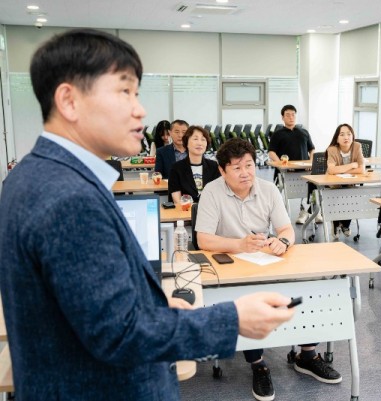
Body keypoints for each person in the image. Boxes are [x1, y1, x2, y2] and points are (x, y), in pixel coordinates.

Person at [0, 28, 295, 401]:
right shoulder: (67, 196)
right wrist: (233, 319)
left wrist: (153, 304)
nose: (140, 109)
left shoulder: (36, 174)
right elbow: (119, 333)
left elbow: (86, 309)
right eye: (125, 93)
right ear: (69, 101)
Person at [197, 138, 342, 401]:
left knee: (308, 285)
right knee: (247, 297)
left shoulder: (268, 190)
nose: (246, 173)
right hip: (229, 266)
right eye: (237, 168)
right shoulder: (211, 192)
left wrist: (282, 241)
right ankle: (258, 364)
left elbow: (287, 229)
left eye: (250, 165)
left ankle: (307, 355)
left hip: (265, 262)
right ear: (222, 171)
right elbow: (203, 239)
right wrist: (238, 244)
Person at [268, 104, 321, 224]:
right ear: (282, 117)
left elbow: (312, 150)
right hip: (286, 172)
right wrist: (282, 164)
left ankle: (308, 211)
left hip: (304, 170)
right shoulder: (277, 134)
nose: (291, 117)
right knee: (278, 194)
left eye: (293, 115)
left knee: (315, 188)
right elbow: (271, 153)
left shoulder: (304, 132)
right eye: (288, 115)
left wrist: (311, 162)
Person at [326, 123, 365, 239]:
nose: (346, 137)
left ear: (353, 136)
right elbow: (331, 170)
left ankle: (345, 224)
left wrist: (340, 170)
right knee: (337, 196)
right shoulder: (332, 149)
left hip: (350, 184)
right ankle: (336, 223)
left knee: (352, 196)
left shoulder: (357, 146)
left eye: (349, 134)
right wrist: (352, 165)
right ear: (337, 139)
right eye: (342, 135)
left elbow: (362, 169)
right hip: (334, 185)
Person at [168, 125, 219, 203]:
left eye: (203, 139)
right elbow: (177, 200)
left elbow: (218, 194)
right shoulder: (176, 168)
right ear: (186, 143)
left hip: (210, 211)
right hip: (186, 212)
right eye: (195, 139)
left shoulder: (214, 166)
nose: (199, 143)